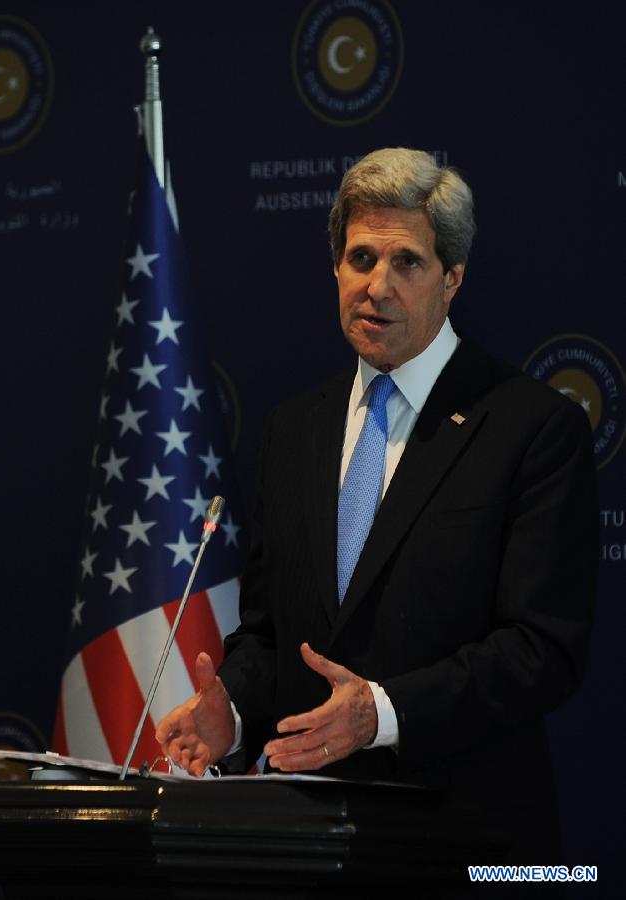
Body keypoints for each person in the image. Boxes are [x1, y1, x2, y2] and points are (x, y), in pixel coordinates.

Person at [156, 148, 597, 860]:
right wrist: (230, 712)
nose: (377, 287)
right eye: (360, 258)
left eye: (407, 264)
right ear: (334, 268)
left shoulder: (532, 428)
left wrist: (382, 713)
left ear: (451, 279)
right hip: (313, 846)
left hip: (474, 848)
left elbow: (540, 651)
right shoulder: (293, 430)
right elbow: (270, 633)